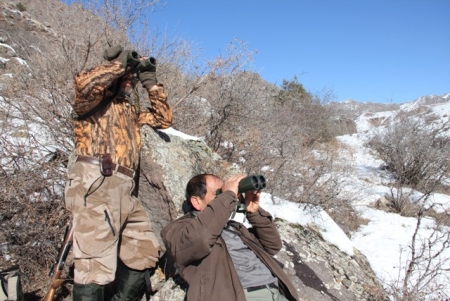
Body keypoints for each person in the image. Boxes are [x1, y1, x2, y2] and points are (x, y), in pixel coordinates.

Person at [64, 45, 173, 301]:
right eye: (125, 75)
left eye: (130, 76)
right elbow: (85, 84)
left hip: (125, 190)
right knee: (94, 267)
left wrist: (149, 81)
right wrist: (120, 65)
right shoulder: (91, 102)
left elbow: (163, 119)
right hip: (96, 182)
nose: (128, 78)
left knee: (144, 252)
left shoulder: (129, 110)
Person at [161, 174, 299, 301]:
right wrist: (228, 195)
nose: (228, 199)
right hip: (242, 295)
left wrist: (254, 213)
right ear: (196, 201)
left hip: (276, 292)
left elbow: (272, 245)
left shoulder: (234, 227)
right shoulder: (178, 229)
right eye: (218, 194)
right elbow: (199, 240)